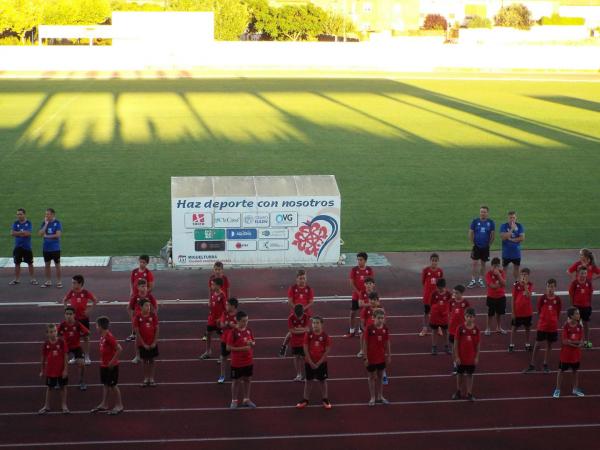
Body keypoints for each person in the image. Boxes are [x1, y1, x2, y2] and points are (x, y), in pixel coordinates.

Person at [525, 279, 561, 373]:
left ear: (555, 288)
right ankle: (532, 365)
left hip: (552, 327)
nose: (550, 288)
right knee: (537, 345)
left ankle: (545, 364)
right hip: (542, 326)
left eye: (552, 286)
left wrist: (553, 320)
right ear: (546, 287)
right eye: (548, 286)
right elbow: (539, 310)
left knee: (549, 345)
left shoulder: (557, 300)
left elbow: (558, 312)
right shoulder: (542, 298)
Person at [296, 316, 332, 409]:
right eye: (313, 323)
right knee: (308, 380)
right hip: (309, 362)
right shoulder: (308, 335)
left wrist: (319, 362)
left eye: (317, 323)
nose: (315, 325)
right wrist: (310, 361)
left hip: (321, 363)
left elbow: (327, 351)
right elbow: (305, 348)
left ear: (322, 324)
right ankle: (305, 399)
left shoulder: (325, 336)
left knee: (322, 381)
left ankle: (325, 398)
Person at [61, 275, 97, 365]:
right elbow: (64, 300)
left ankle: (87, 356)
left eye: (74, 283)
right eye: (72, 283)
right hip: (74, 320)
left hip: (84, 319)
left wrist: (89, 310)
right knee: (73, 339)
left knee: (86, 338)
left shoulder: (85, 292)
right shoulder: (71, 292)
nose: (72, 284)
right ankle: (75, 357)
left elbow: (95, 300)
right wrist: (66, 311)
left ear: (80, 283)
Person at [91, 316, 124, 415]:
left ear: (100, 326)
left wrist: (112, 362)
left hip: (111, 366)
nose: (96, 327)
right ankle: (104, 404)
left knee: (113, 385)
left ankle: (119, 405)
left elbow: (119, 349)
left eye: (96, 325)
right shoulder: (102, 336)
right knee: (105, 384)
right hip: (104, 365)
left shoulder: (109, 337)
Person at [279, 270, 315, 357]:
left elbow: (311, 302)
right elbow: (290, 301)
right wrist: (297, 309)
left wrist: (303, 309)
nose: (302, 280)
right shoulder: (292, 288)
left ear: (306, 279)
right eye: (300, 278)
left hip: (306, 314)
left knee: (307, 330)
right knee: (292, 332)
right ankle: (284, 346)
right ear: (297, 279)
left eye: (304, 278)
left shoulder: (309, 289)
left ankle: (308, 347)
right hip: (295, 314)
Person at [553, 307, 585, 398]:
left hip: (576, 355)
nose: (578, 315)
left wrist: (574, 342)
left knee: (575, 371)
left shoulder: (579, 326)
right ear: (571, 316)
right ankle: (557, 389)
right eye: (577, 314)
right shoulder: (566, 326)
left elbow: (581, 340)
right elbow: (565, 341)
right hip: (566, 355)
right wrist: (577, 344)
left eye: (578, 313)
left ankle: (575, 389)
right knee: (561, 371)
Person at [362, 309, 391, 406]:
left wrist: (389, 355)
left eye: (382, 318)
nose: (381, 320)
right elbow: (365, 343)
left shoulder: (385, 328)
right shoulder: (369, 328)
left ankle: (380, 396)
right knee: (371, 377)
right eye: (379, 318)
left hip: (381, 357)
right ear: (373, 318)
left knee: (380, 376)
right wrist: (365, 357)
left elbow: (387, 342)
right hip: (371, 358)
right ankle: (372, 397)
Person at [227, 311, 256, 409]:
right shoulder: (233, 332)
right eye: (243, 321)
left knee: (247, 380)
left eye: (247, 320)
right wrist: (242, 349)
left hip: (248, 361)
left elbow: (252, 341)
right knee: (236, 381)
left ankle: (246, 399)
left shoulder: (249, 330)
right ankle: (234, 400)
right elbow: (228, 348)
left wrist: (252, 343)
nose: (246, 323)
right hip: (237, 362)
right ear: (238, 321)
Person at [38, 324, 69, 414]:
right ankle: (46, 406)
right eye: (51, 332)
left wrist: (65, 370)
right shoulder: (46, 344)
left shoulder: (61, 342)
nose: (54, 333)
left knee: (63, 387)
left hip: (61, 370)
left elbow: (66, 356)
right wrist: (42, 370)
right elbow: (43, 358)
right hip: (50, 371)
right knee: (49, 388)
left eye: (55, 331)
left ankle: (64, 405)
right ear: (47, 333)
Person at [57, 306, 89, 390]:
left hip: (76, 347)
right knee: (59, 363)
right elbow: (56, 334)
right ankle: (58, 380)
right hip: (65, 347)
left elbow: (87, 332)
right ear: (64, 315)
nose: (68, 316)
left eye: (70, 314)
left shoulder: (78, 324)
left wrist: (80, 335)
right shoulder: (62, 325)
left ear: (74, 315)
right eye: (67, 314)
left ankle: (81, 381)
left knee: (82, 364)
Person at [452, 308, 480, 401]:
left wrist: (476, 357)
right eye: (467, 316)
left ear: (474, 318)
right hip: (461, 358)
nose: (469, 318)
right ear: (464, 317)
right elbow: (455, 343)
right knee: (459, 375)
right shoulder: (460, 328)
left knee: (470, 375)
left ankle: (469, 393)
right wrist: (457, 356)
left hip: (471, 358)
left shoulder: (476, 330)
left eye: (471, 317)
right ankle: (458, 391)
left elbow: (478, 345)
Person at [345, 252, 374, 337]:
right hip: (356, 295)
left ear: (365, 260)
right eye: (358, 260)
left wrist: (366, 293)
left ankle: (361, 330)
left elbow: (371, 283)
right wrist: (359, 293)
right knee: (353, 313)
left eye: (360, 260)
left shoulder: (369, 270)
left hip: (366, 295)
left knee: (363, 313)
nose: (359, 261)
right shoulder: (354, 270)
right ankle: (351, 331)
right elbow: (351, 283)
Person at [133, 299, 159, 387]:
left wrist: (154, 342)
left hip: (152, 343)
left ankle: (151, 378)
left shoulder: (153, 315)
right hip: (143, 344)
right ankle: (146, 378)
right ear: (141, 307)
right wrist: (143, 344)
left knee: (152, 360)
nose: (148, 307)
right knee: (144, 361)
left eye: (149, 305)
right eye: (146, 306)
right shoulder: (137, 317)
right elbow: (137, 332)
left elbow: (157, 329)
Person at [468, 206, 495, 289]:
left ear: (487, 213)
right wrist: (473, 243)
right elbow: (471, 233)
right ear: (480, 212)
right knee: (474, 264)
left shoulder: (491, 222)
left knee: (483, 264)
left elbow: (492, 235)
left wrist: (489, 244)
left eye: (484, 212)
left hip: (485, 247)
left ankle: (480, 280)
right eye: (481, 212)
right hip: (476, 246)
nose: (483, 213)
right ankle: (473, 280)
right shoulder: (475, 221)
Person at [127, 279, 158, 347]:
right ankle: (137, 355)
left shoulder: (150, 296)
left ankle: (150, 350)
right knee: (138, 338)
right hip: (138, 320)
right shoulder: (135, 297)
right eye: (142, 286)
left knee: (149, 335)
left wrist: (154, 316)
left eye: (146, 286)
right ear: (138, 287)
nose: (144, 288)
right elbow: (129, 308)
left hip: (148, 319)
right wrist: (132, 318)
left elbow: (155, 307)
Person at [200, 277, 226, 359]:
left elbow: (226, 309)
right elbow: (212, 305)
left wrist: (221, 318)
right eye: (211, 284)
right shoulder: (212, 293)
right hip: (211, 318)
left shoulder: (222, 295)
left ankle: (222, 354)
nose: (211, 286)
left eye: (213, 285)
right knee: (208, 334)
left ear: (218, 286)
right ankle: (208, 351)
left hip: (219, 320)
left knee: (222, 337)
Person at [9, 208, 37, 285]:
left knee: (30, 263)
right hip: (18, 247)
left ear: (24, 214)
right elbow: (12, 233)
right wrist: (22, 232)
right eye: (18, 214)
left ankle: (33, 279)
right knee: (17, 263)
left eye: (20, 214)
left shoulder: (28, 223)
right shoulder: (15, 223)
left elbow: (28, 233)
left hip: (27, 247)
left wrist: (17, 233)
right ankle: (17, 279)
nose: (19, 216)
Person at [569, 267, 594, 348]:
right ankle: (576, 340)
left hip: (586, 307)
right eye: (582, 273)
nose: (583, 275)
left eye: (585, 273)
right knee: (575, 325)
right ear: (578, 274)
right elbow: (571, 295)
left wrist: (589, 305)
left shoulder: (589, 283)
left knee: (586, 324)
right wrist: (572, 306)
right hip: (576, 307)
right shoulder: (574, 283)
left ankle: (586, 341)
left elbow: (590, 294)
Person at [509, 268, 533, 352]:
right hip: (518, 312)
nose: (523, 276)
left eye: (525, 275)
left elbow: (528, 296)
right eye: (522, 274)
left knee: (527, 328)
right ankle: (511, 345)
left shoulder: (529, 284)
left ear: (528, 276)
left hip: (527, 312)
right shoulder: (516, 285)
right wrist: (513, 312)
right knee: (514, 328)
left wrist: (525, 285)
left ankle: (527, 344)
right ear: (520, 275)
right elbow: (513, 298)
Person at [38, 208, 62, 288]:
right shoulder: (44, 223)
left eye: (48, 214)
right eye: (46, 214)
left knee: (57, 265)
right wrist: (45, 224)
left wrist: (47, 236)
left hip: (55, 248)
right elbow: (40, 234)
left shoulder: (57, 223)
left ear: (52, 214)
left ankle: (59, 281)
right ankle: (48, 281)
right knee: (47, 265)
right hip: (46, 248)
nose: (46, 216)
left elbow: (58, 235)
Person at [420, 253, 443, 336]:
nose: (434, 262)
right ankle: (425, 328)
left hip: (437, 296)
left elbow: (441, 284)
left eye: (436, 261)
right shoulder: (426, 270)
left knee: (438, 312)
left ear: (438, 261)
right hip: (427, 296)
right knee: (426, 312)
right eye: (433, 260)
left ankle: (439, 328)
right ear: (430, 261)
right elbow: (423, 281)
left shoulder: (440, 271)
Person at [448, 285, 469, 374]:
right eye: (454, 293)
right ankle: (455, 364)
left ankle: (463, 364)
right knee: (454, 348)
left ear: (461, 293)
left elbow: (468, 316)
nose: (454, 294)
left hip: (462, 330)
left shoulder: (466, 303)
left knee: (462, 348)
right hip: (453, 330)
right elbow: (449, 313)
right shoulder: (451, 302)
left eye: (456, 293)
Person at [218, 297, 239, 383]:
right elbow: (222, 325)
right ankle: (222, 375)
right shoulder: (224, 313)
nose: (226, 306)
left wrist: (233, 325)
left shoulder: (238, 315)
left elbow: (241, 326)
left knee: (236, 357)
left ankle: (236, 373)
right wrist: (226, 324)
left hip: (236, 339)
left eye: (227, 305)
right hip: (225, 339)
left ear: (233, 306)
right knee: (224, 357)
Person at [500, 211, 525, 282]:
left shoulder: (520, 226)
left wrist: (511, 239)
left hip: (516, 253)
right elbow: (503, 237)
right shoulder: (504, 226)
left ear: (516, 218)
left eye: (513, 217)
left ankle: (516, 281)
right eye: (510, 218)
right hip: (506, 253)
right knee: (504, 268)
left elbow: (522, 238)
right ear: (508, 218)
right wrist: (512, 229)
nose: (512, 219)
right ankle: (503, 281)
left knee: (516, 268)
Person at [484, 257, 507, 335]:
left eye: (497, 266)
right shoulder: (488, 274)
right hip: (491, 297)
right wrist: (500, 283)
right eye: (494, 266)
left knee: (499, 313)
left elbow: (504, 284)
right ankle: (488, 328)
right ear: (491, 266)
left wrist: (499, 275)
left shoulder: (502, 272)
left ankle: (499, 327)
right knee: (490, 313)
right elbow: (492, 286)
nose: (496, 268)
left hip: (501, 296)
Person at [430, 278, 451, 355]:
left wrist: (446, 312)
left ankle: (446, 347)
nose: (439, 289)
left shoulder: (448, 294)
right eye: (438, 288)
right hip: (435, 317)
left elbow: (450, 303)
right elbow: (431, 303)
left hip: (444, 317)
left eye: (441, 288)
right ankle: (434, 347)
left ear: (444, 286)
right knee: (434, 331)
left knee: (445, 332)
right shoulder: (434, 293)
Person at [288, 304, 309, 382]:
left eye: (300, 316)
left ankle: (307, 375)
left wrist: (296, 329)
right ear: (294, 313)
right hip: (295, 342)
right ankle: (299, 374)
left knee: (305, 358)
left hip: (304, 342)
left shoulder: (306, 316)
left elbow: (307, 329)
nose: (299, 318)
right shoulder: (290, 318)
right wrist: (302, 330)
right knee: (296, 358)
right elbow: (291, 331)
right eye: (297, 317)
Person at [357, 291, 381, 357]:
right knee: (363, 336)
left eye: (374, 300)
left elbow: (383, 322)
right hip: (367, 330)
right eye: (371, 300)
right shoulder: (365, 309)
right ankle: (363, 351)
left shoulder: (380, 309)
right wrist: (366, 331)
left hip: (377, 330)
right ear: (369, 300)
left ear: (377, 300)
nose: (372, 301)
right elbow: (362, 323)